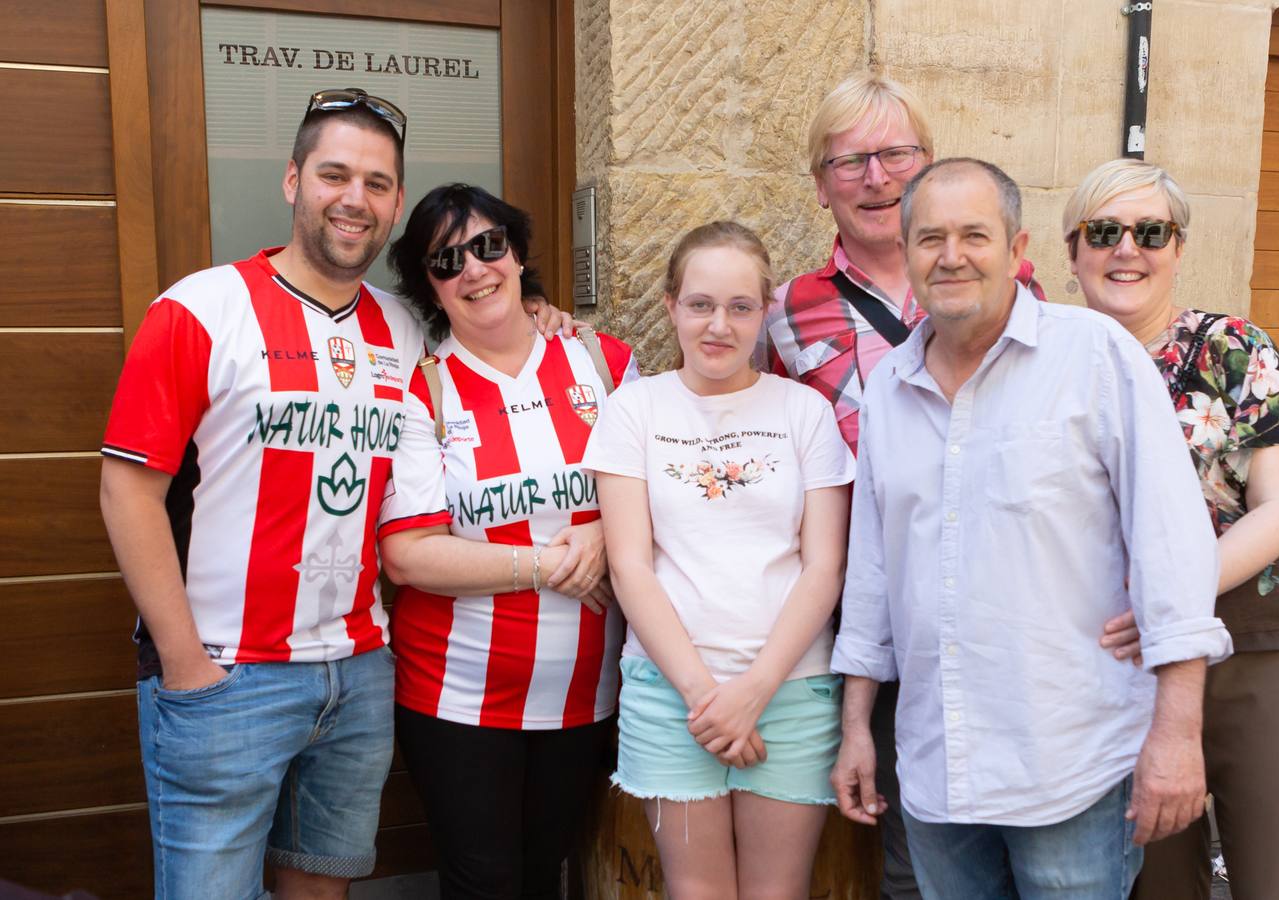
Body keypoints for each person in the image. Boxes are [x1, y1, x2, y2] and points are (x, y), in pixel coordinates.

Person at [831, 157, 1234, 899]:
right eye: (929, 239)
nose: (951, 256)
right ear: (907, 252)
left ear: (1017, 250)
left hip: (1068, 762)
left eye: (973, 235)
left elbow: (1170, 552)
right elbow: (873, 571)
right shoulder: (887, 386)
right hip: (936, 763)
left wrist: (1176, 737)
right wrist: (856, 724)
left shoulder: (1094, 355)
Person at [98, 88, 422, 898]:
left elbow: (498, 336)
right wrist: (182, 662)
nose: (354, 200)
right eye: (334, 175)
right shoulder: (199, 309)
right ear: (292, 181)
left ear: (397, 203)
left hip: (358, 670)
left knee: (321, 886)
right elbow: (126, 490)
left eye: (376, 184)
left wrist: (548, 315)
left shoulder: (406, 328)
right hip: (224, 672)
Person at [761, 73, 1049, 899]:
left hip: (1006, 608)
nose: (875, 178)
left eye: (895, 154)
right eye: (848, 161)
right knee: (913, 852)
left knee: (1038, 840)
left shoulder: (1011, 290)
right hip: (870, 614)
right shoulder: (782, 313)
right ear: (820, 185)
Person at [1064, 158, 1279, 900]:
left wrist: (1169, 596)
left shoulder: (1229, 348)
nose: (1128, 248)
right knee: (1151, 889)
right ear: (1071, 251)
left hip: (1255, 647)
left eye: (1150, 230)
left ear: (1177, 248)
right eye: (1103, 231)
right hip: (1117, 670)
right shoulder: (1048, 366)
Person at [374, 183, 637, 899]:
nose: (474, 270)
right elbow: (408, 552)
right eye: (446, 260)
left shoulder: (605, 363)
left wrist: (606, 530)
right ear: (429, 287)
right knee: (484, 881)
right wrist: (552, 565)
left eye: (489, 246)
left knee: (543, 870)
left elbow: (657, 495)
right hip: (456, 695)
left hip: (585, 690)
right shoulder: (420, 390)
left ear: (519, 255)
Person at [587, 222, 855, 898]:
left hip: (790, 693)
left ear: (763, 311)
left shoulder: (804, 412)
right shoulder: (634, 410)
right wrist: (709, 701)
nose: (718, 325)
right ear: (672, 305)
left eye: (740, 307)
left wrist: (753, 692)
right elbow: (630, 566)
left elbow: (824, 566)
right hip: (669, 694)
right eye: (700, 304)